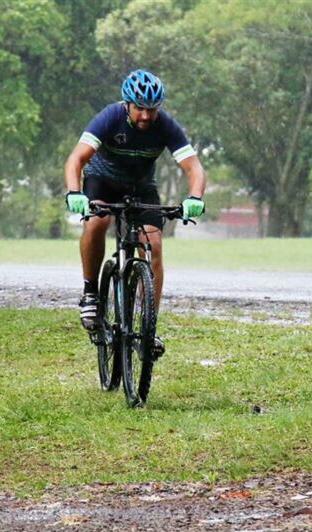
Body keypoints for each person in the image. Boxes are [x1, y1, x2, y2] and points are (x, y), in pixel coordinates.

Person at [63, 69, 206, 358]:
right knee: (97, 221)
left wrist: (195, 197)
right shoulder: (109, 117)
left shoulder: (165, 125)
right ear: (127, 104)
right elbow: (76, 159)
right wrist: (73, 191)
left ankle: (147, 329)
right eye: (139, 108)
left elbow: (194, 166)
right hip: (101, 180)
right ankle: (91, 292)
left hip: (141, 187)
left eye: (151, 109)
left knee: (153, 244)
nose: (145, 115)